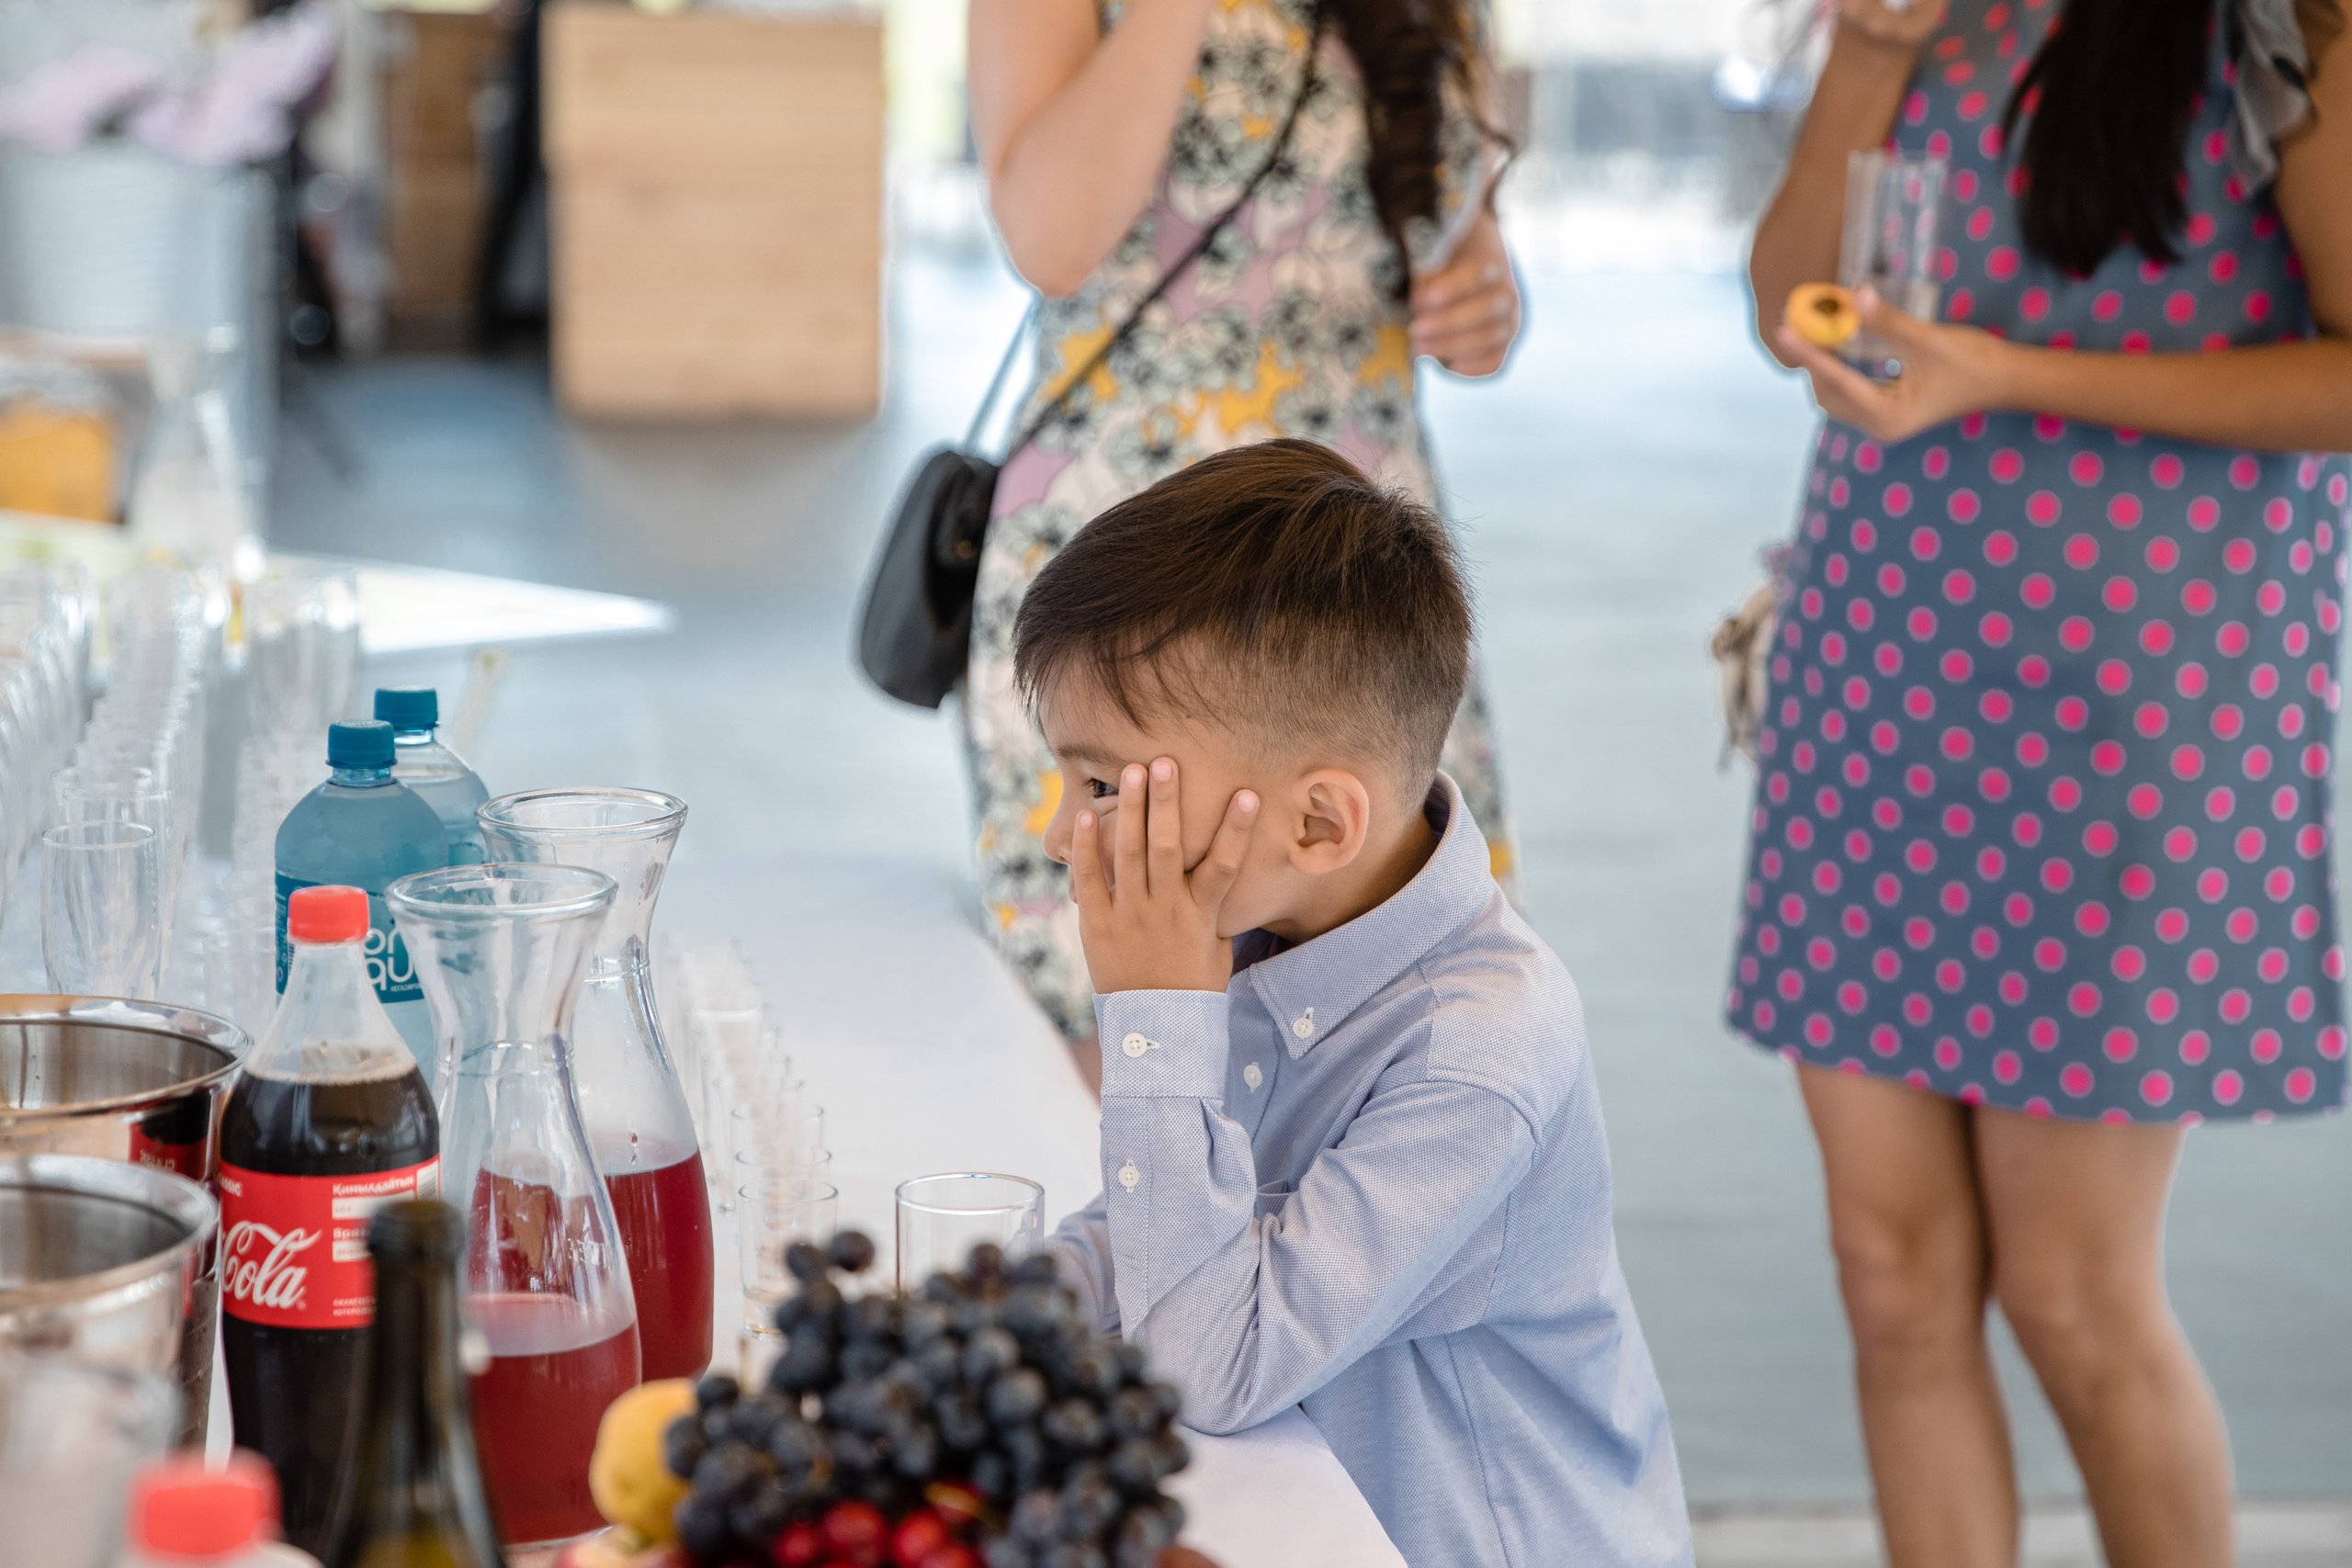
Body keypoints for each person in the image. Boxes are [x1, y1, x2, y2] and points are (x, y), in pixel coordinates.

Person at [1736, 0, 2351, 1562]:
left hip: (2138, 719)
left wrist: (2002, 373)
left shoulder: (2286, 23)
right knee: (1889, 1269)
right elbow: (1784, 304)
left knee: (2074, 1294)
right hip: (1878, 674)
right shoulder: (1917, 14)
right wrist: (1870, 52)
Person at [1017, 440, 1692, 1568]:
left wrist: (1152, 1017)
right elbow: (1202, 1222)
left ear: (1319, 824)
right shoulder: (1280, 919)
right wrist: (978, 1313)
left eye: (1100, 788)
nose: (1056, 838)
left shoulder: (1473, 1054)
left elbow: (1211, 1365)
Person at [964, 0, 1523, 1061]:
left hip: (1352, 582)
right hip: (1136, 588)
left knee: (1402, 1012)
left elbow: (1459, 236)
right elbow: (1050, 237)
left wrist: (1488, 301)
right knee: (1135, 1028)